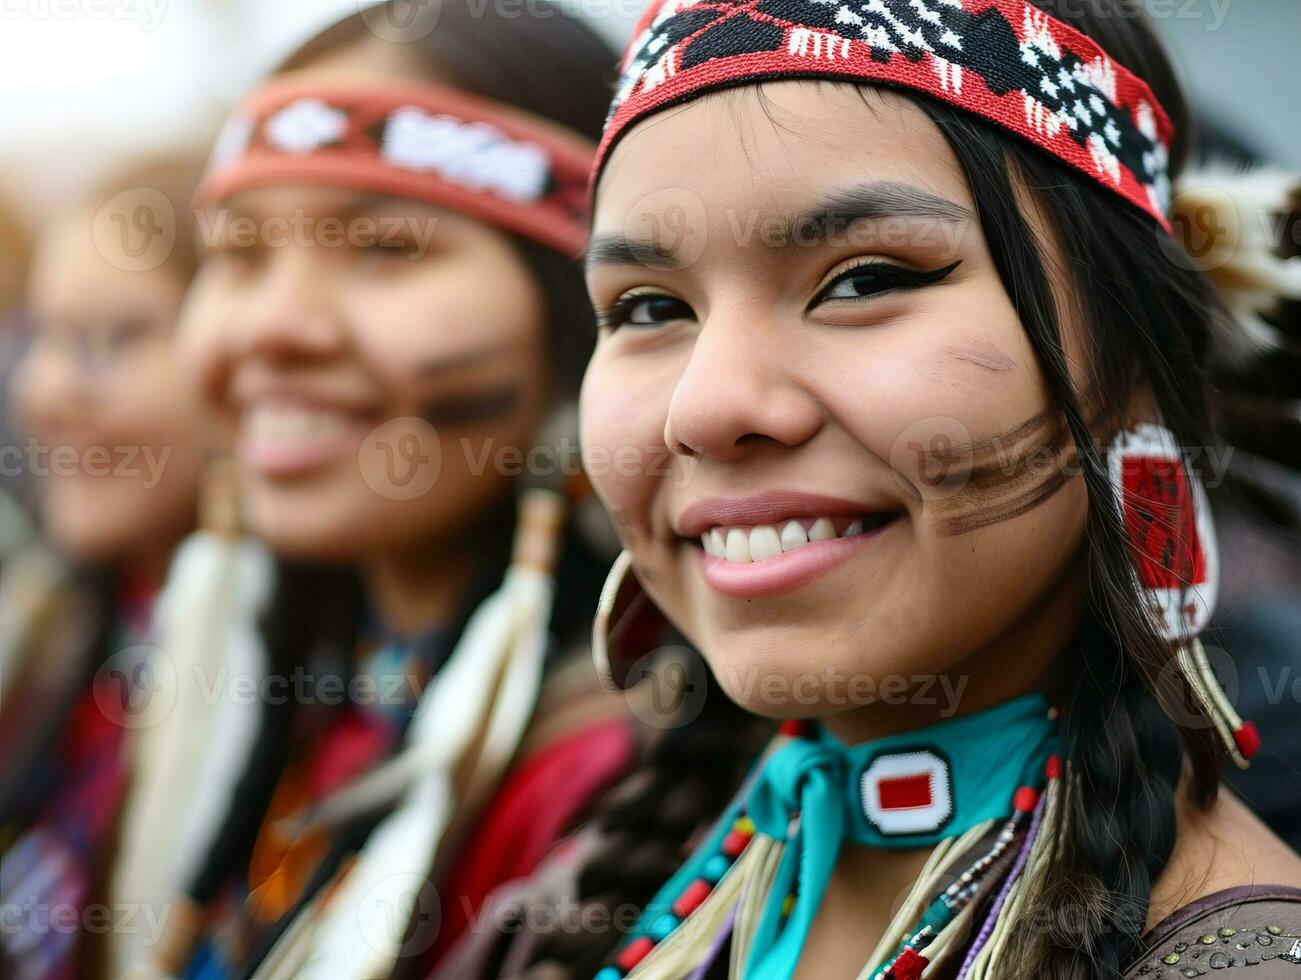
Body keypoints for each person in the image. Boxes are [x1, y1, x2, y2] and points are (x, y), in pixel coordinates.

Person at [518, 0, 1301, 977]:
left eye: (862, 279)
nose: (706, 406)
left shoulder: (1239, 958)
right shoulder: (590, 893)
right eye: (648, 306)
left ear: (1126, 364)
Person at [126, 4, 633, 978]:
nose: (273, 325)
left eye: (387, 247)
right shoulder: (269, 694)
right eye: (237, 253)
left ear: (589, 313)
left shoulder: (611, 780)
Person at [0, 158, 207, 980]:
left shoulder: (312, 700)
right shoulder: (59, 634)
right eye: (38, 335)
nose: (48, 389)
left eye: (111, 340)